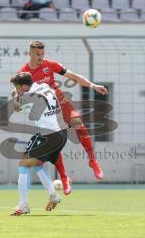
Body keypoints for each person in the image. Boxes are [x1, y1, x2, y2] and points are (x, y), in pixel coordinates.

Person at [17, 40, 108, 191]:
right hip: (45, 109)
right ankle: (64, 177)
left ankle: (92, 161)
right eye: (37, 54)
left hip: (60, 99)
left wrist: (93, 86)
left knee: (78, 122)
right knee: (56, 141)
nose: (41, 57)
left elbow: (74, 76)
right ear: (30, 54)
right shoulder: (24, 73)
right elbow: (19, 91)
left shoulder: (49, 64)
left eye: (42, 54)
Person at [10, 72, 68, 215]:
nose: (17, 90)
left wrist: (14, 96)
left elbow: (16, 107)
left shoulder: (27, 96)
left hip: (50, 135)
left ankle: (23, 206)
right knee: (36, 164)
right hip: (62, 133)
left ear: (24, 86)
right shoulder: (44, 86)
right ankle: (53, 195)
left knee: (23, 164)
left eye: (17, 87)